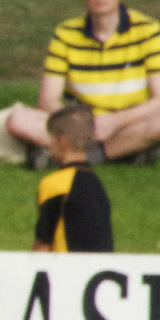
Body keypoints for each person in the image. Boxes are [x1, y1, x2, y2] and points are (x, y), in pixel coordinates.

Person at [6, 0, 160, 167]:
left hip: (129, 122)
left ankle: (82, 154)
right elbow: (47, 101)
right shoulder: (65, 33)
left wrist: (115, 121)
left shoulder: (148, 30)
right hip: (81, 125)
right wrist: (84, 124)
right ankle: (122, 152)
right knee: (18, 121)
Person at [33, 103, 113, 252]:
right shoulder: (97, 185)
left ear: (61, 141)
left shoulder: (55, 185)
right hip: (100, 264)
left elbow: (43, 242)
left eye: (51, 139)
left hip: (66, 265)